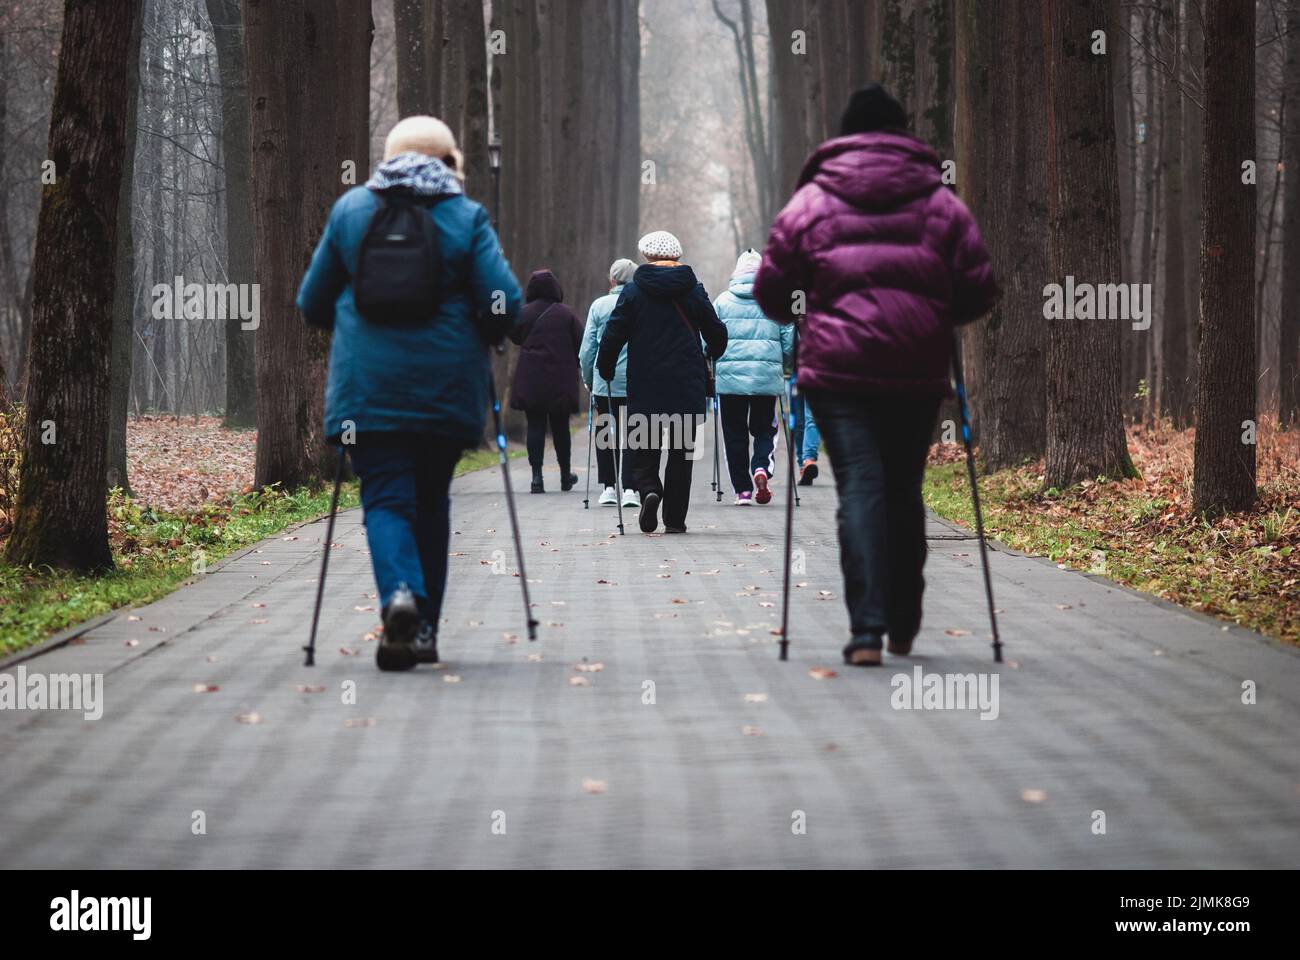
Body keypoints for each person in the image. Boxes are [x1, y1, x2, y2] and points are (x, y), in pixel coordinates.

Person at [754, 84, 998, 667]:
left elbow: (769, 289)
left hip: (837, 372)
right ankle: (905, 621)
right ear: (903, 133)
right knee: (902, 488)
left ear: (843, 136)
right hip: (915, 370)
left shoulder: (813, 201)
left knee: (860, 485)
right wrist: (938, 314)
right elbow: (980, 286)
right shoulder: (939, 200)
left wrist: (804, 302)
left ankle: (865, 628)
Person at [297, 115, 522, 671]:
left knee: (386, 499)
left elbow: (311, 301)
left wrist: (353, 327)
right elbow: (505, 301)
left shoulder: (351, 211)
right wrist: (486, 329)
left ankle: (398, 593)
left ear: (389, 156)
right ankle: (423, 631)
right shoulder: (466, 216)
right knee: (431, 504)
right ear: (450, 162)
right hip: (446, 391)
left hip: (367, 390)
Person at [597, 230, 727, 534]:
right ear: (677, 256)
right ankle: (675, 519)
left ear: (646, 256)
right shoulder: (694, 291)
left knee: (644, 449)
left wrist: (605, 367)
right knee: (682, 456)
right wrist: (710, 354)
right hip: (686, 385)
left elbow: (613, 334)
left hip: (646, 384)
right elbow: (717, 334)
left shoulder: (632, 292)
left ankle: (650, 490)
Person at [712, 249, 794, 505]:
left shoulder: (722, 301)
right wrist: (787, 364)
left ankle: (742, 491)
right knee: (765, 429)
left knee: (734, 433)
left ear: (737, 273)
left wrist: (711, 361)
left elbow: (710, 338)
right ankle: (760, 468)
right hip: (765, 379)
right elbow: (789, 341)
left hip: (730, 381)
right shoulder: (776, 301)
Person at [508, 270, 584, 493]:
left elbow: (514, 336)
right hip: (560, 381)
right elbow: (580, 344)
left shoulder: (524, 313)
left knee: (535, 425)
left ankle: (536, 477)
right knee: (561, 428)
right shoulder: (567, 315)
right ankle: (564, 476)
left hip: (532, 380)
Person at [579, 258, 639, 508]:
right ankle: (631, 489)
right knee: (633, 435)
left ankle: (608, 488)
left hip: (605, 382)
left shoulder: (599, 306)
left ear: (612, 280)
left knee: (605, 433)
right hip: (635, 381)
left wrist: (589, 380)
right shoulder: (640, 304)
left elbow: (587, 350)